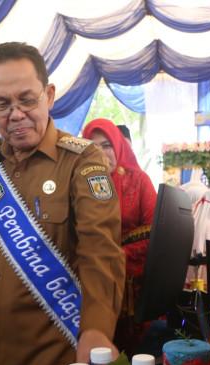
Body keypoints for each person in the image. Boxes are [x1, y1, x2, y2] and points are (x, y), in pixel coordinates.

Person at [0, 43, 124, 365]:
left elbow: (102, 251)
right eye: (1, 104)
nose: (16, 115)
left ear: (48, 95)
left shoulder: (82, 161)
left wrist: (96, 331)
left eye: (27, 100)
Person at [81, 118, 156, 352]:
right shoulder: (81, 185)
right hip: (90, 279)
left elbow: (156, 231)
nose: (101, 153)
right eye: (93, 147)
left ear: (118, 146)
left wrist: (116, 255)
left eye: (106, 145)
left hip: (134, 281)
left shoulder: (138, 180)